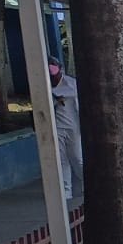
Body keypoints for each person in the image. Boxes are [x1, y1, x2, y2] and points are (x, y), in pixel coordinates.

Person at [49, 60, 82, 202]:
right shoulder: (46, 85)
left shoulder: (70, 83)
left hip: (73, 127)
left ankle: (87, 184)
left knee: (77, 158)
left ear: (60, 69)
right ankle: (66, 192)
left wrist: (56, 94)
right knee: (62, 160)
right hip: (57, 127)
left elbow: (72, 93)